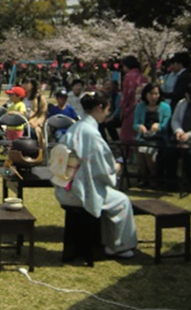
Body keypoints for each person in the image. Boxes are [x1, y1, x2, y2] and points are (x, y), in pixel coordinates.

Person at [55, 91, 137, 258]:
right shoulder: (90, 133)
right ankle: (117, 246)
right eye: (107, 109)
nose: (107, 113)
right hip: (79, 190)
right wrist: (114, 169)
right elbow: (102, 168)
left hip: (65, 186)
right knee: (122, 201)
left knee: (111, 197)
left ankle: (109, 242)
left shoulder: (75, 127)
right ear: (100, 108)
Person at [132, 83, 172, 187]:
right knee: (140, 150)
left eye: (156, 94)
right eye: (151, 94)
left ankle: (154, 177)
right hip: (144, 137)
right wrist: (139, 127)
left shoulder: (165, 107)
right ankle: (143, 177)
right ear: (145, 94)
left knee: (148, 152)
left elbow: (166, 125)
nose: (154, 97)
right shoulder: (140, 107)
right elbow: (135, 124)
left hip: (159, 138)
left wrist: (158, 126)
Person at [119, 55, 148, 143]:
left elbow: (126, 94)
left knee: (127, 135)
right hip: (142, 107)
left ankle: (128, 154)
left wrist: (122, 108)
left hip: (130, 108)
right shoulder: (143, 77)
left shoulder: (129, 77)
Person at [21, 78, 48, 145]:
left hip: (33, 123)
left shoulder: (40, 99)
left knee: (31, 131)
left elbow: (43, 114)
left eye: (26, 83)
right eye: (23, 83)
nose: (23, 85)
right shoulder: (20, 97)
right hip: (20, 122)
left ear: (32, 85)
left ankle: (34, 151)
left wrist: (36, 123)